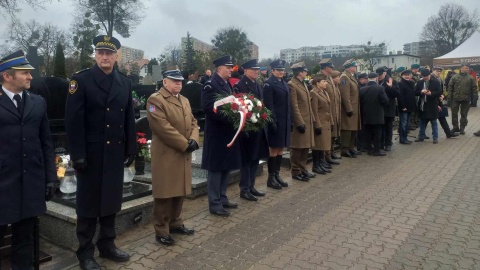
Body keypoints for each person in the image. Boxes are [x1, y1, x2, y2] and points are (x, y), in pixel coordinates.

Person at [65, 35, 137, 270]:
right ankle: (85, 252)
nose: (104, 57)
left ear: (116, 56)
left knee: (111, 201)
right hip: (91, 153)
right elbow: (73, 121)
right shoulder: (81, 80)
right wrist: (77, 154)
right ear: (95, 55)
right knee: (87, 205)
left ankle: (107, 244)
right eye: (100, 53)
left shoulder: (124, 82)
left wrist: (130, 147)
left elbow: (128, 118)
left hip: (115, 151)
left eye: (109, 53)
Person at [0, 50, 56, 270]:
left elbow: (46, 143)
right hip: (3, 186)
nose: (31, 77)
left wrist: (50, 178)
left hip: (31, 185)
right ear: (7, 76)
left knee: (25, 241)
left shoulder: (38, 103)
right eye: (24, 73)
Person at [146, 70, 199, 246]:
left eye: (180, 82)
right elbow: (162, 128)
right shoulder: (156, 100)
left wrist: (194, 139)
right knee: (165, 193)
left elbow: (193, 122)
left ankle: (175, 223)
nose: (178, 84)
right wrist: (186, 144)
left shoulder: (184, 100)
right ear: (165, 82)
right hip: (167, 154)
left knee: (179, 190)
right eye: (174, 81)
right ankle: (161, 230)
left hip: (182, 153)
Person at [201, 55, 242, 217]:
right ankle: (214, 203)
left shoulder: (226, 84)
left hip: (227, 133)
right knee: (216, 168)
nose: (231, 70)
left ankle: (222, 198)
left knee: (226, 166)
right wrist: (231, 118)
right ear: (219, 69)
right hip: (217, 133)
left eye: (231, 67)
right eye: (228, 67)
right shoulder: (210, 85)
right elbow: (208, 108)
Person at [233, 59, 269, 201]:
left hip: (258, 126)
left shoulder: (257, 84)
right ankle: (244, 189)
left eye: (257, 69)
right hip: (247, 128)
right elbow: (238, 106)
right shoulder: (240, 85)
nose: (256, 71)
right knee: (247, 160)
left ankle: (251, 185)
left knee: (255, 158)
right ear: (246, 70)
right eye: (253, 69)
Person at [263, 60, 290, 190]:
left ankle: (277, 175)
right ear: (272, 70)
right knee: (273, 149)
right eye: (278, 70)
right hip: (275, 121)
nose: (281, 72)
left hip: (284, 120)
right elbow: (269, 105)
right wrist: (272, 120)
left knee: (280, 149)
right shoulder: (269, 84)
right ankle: (271, 177)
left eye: (282, 70)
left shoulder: (283, 83)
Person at [288, 61, 315, 181]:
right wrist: (299, 122)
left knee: (305, 146)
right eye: (304, 71)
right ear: (299, 72)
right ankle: (295, 171)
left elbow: (307, 104)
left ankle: (303, 169)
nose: (306, 73)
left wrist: (312, 118)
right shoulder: (292, 84)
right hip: (300, 121)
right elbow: (294, 105)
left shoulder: (302, 83)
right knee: (297, 147)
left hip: (307, 120)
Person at [359, 72, 389, 156]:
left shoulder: (362, 89)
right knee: (377, 133)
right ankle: (376, 150)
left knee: (367, 132)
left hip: (366, 115)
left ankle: (369, 149)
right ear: (376, 78)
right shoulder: (380, 88)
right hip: (377, 115)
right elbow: (385, 100)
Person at [310, 74, 334, 174]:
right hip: (320, 122)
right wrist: (317, 124)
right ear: (317, 83)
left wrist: (331, 122)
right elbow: (314, 111)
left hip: (326, 122)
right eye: (324, 81)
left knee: (323, 144)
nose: (326, 83)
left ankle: (321, 162)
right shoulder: (313, 93)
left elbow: (329, 109)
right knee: (318, 145)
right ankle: (316, 165)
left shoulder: (325, 92)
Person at [339, 59, 361, 158]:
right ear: (350, 68)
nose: (356, 68)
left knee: (353, 129)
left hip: (354, 108)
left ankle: (351, 147)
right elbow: (345, 95)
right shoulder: (344, 77)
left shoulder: (351, 77)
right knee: (347, 129)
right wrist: (348, 109)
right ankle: (345, 149)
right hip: (349, 108)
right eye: (355, 66)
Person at [320, 61, 341, 163]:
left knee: (332, 134)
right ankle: (326, 155)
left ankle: (331, 152)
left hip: (333, 110)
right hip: (327, 111)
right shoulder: (321, 78)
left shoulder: (329, 78)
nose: (332, 69)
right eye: (330, 67)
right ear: (326, 68)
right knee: (327, 136)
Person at [448, 64, 478, 134]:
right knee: (454, 114)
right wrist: (449, 97)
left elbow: (474, 88)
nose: (468, 69)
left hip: (466, 99)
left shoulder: (470, 78)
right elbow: (450, 87)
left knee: (464, 114)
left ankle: (462, 128)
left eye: (468, 68)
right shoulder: (454, 77)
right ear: (461, 68)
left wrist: (475, 96)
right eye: (466, 68)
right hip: (455, 98)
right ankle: (455, 127)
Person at [414, 69, 442, 144]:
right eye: (424, 76)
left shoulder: (435, 82)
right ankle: (421, 137)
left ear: (429, 75)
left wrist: (431, 93)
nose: (425, 77)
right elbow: (415, 92)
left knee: (434, 122)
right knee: (422, 122)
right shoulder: (420, 82)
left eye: (426, 76)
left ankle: (435, 138)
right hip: (423, 105)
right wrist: (421, 92)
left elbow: (439, 92)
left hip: (432, 104)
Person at [377, 67, 400, 152]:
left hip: (389, 108)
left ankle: (388, 143)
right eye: (377, 75)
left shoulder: (392, 81)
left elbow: (397, 93)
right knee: (380, 127)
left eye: (380, 75)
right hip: (379, 109)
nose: (379, 77)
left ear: (384, 73)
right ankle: (381, 143)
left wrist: (391, 87)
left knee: (388, 127)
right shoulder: (376, 81)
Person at [397, 70, 416, 144]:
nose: (407, 76)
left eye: (408, 75)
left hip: (410, 106)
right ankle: (402, 139)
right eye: (405, 75)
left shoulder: (411, 83)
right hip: (404, 107)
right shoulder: (400, 84)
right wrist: (403, 106)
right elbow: (400, 96)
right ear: (402, 76)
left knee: (407, 123)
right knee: (403, 123)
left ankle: (405, 138)